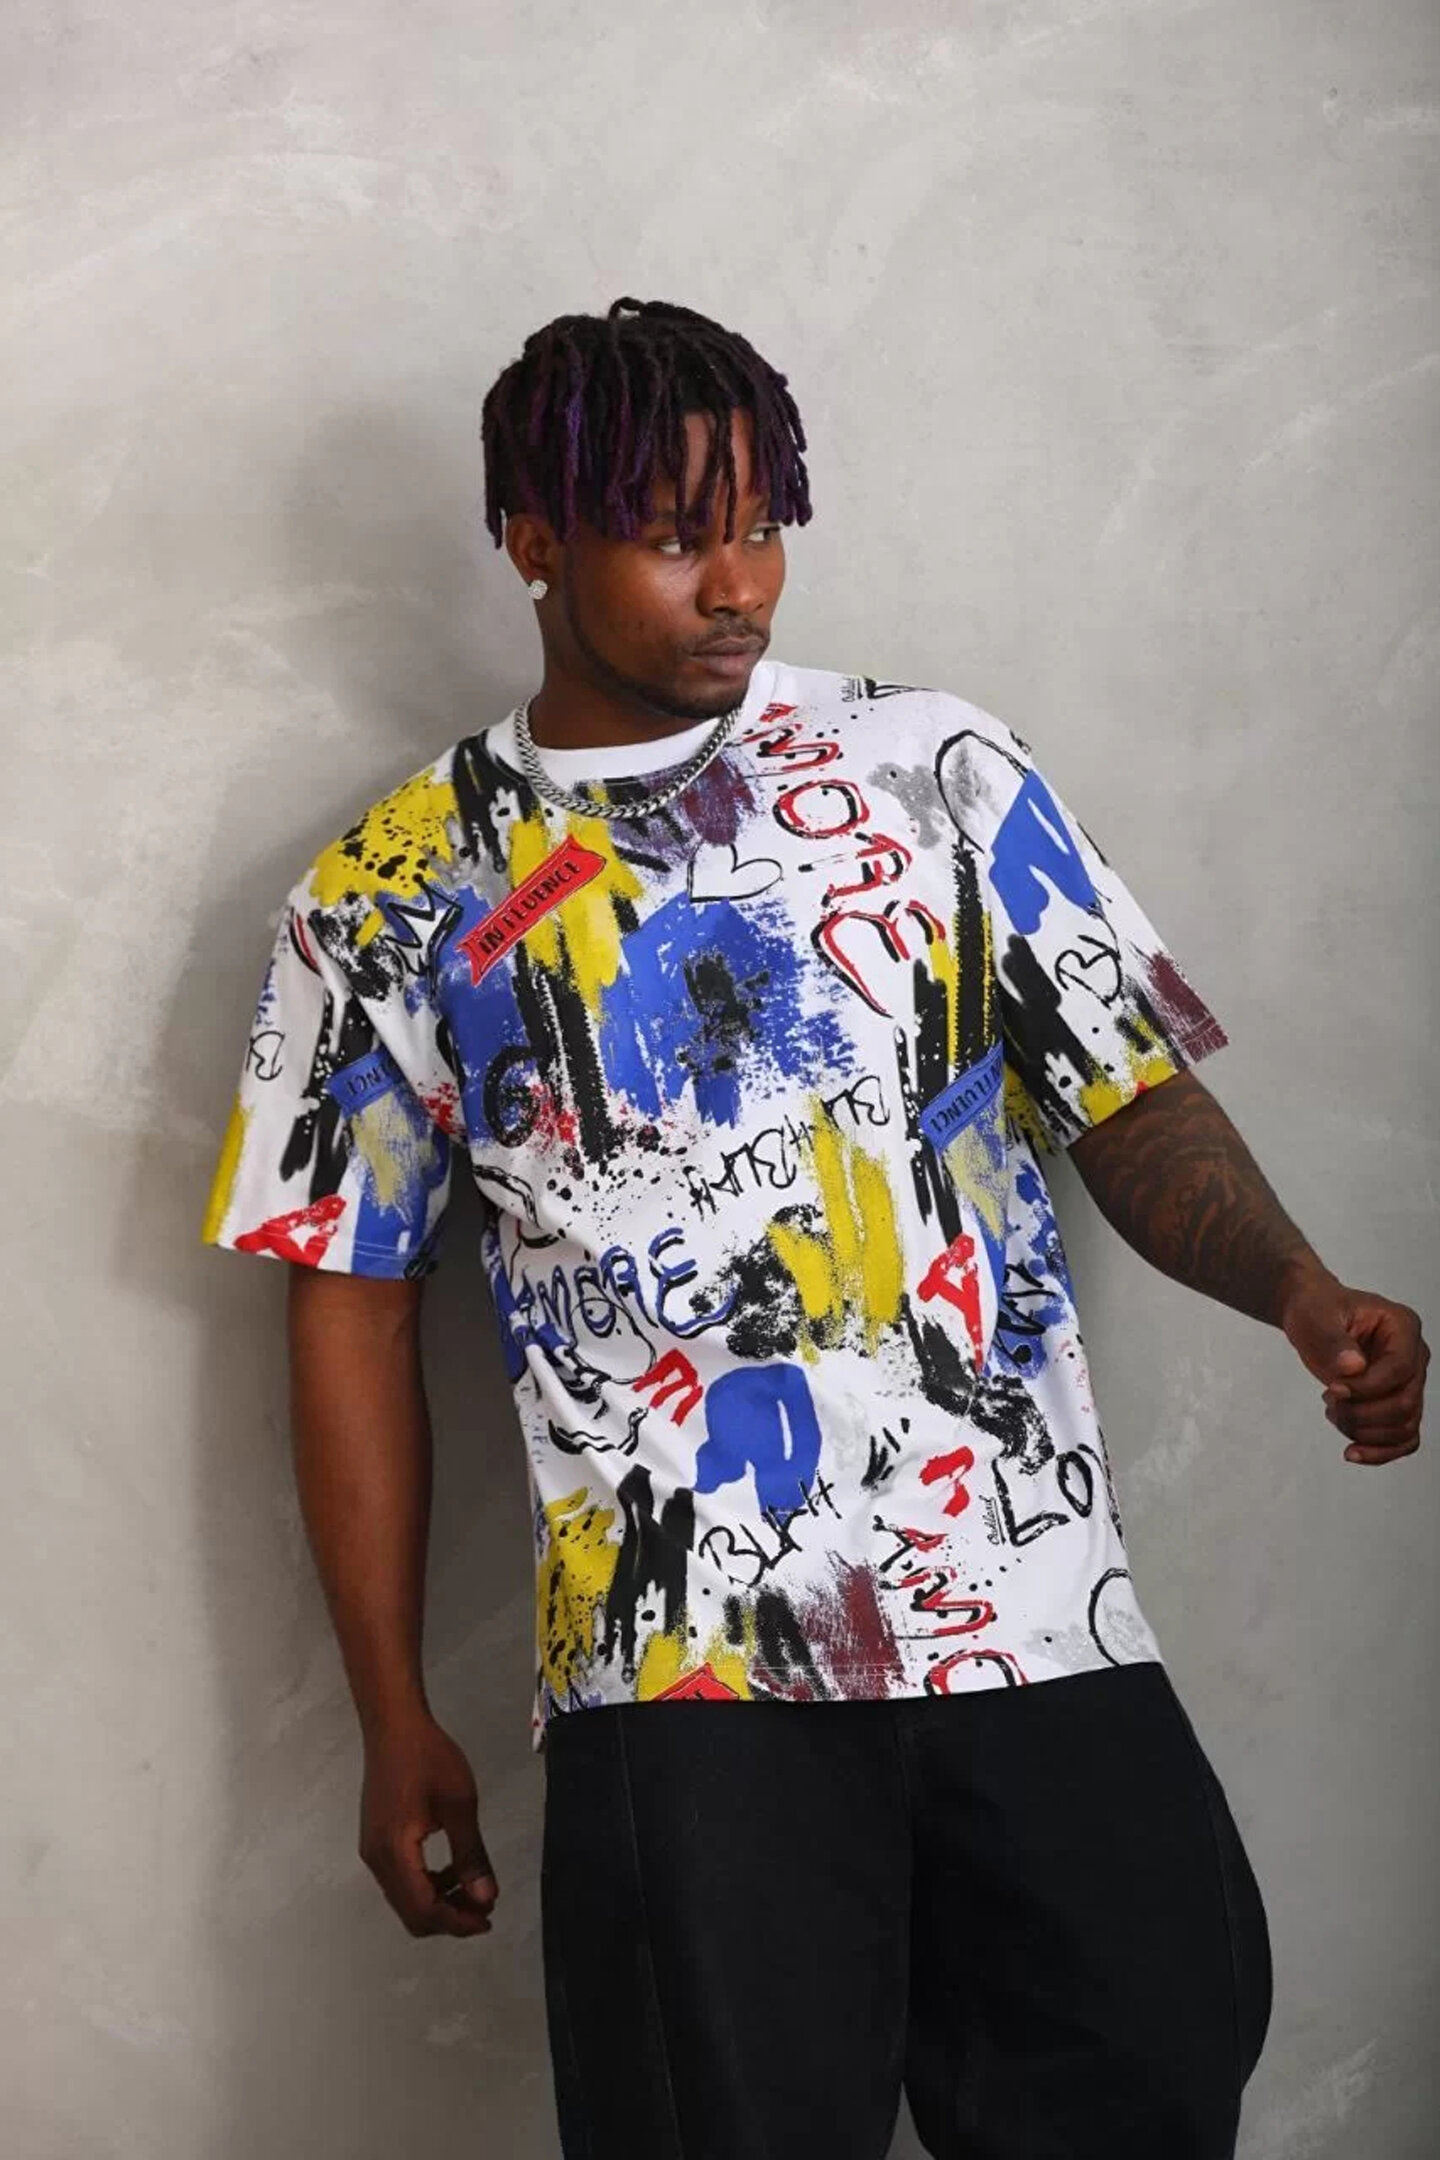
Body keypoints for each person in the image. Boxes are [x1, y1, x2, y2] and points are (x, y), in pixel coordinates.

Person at [202, 296, 1428, 2160]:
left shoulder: (937, 770)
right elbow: (346, 1303)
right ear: (532, 542)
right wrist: (391, 1712)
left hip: (1036, 1624)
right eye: (673, 536)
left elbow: (1124, 1091)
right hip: (683, 1685)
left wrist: (1300, 1290)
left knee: (1152, 2094)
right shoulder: (392, 891)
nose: (740, 585)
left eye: (762, 523)